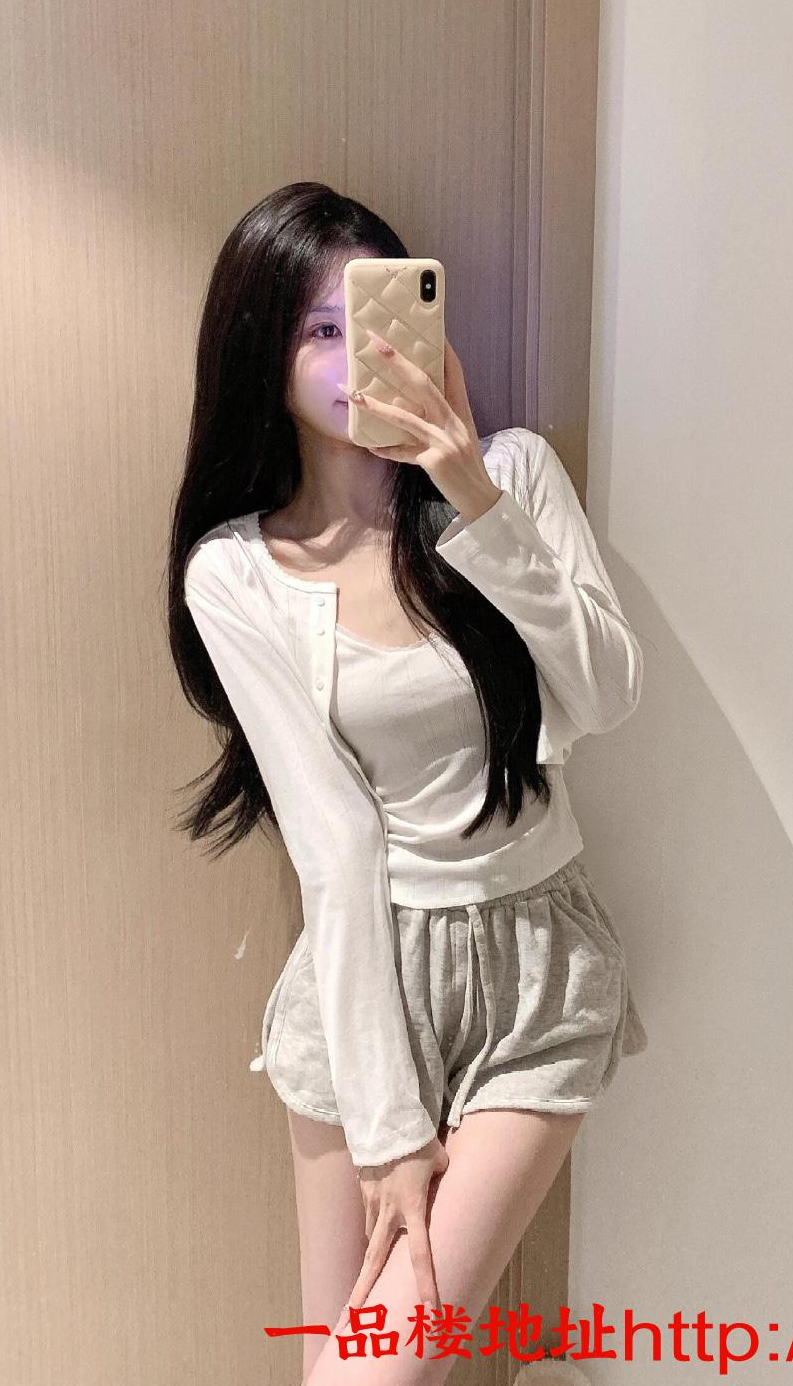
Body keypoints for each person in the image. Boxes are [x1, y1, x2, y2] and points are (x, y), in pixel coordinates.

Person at [166, 181, 648, 1384]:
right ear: (260, 351)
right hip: (364, 980)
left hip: (534, 969)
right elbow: (331, 841)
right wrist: (387, 1131)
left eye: (375, 315)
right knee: (339, 1365)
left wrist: (472, 490)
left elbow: (603, 696)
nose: (356, 355)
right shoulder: (237, 572)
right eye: (318, 328)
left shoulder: (515, 475)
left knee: (378, 1371)